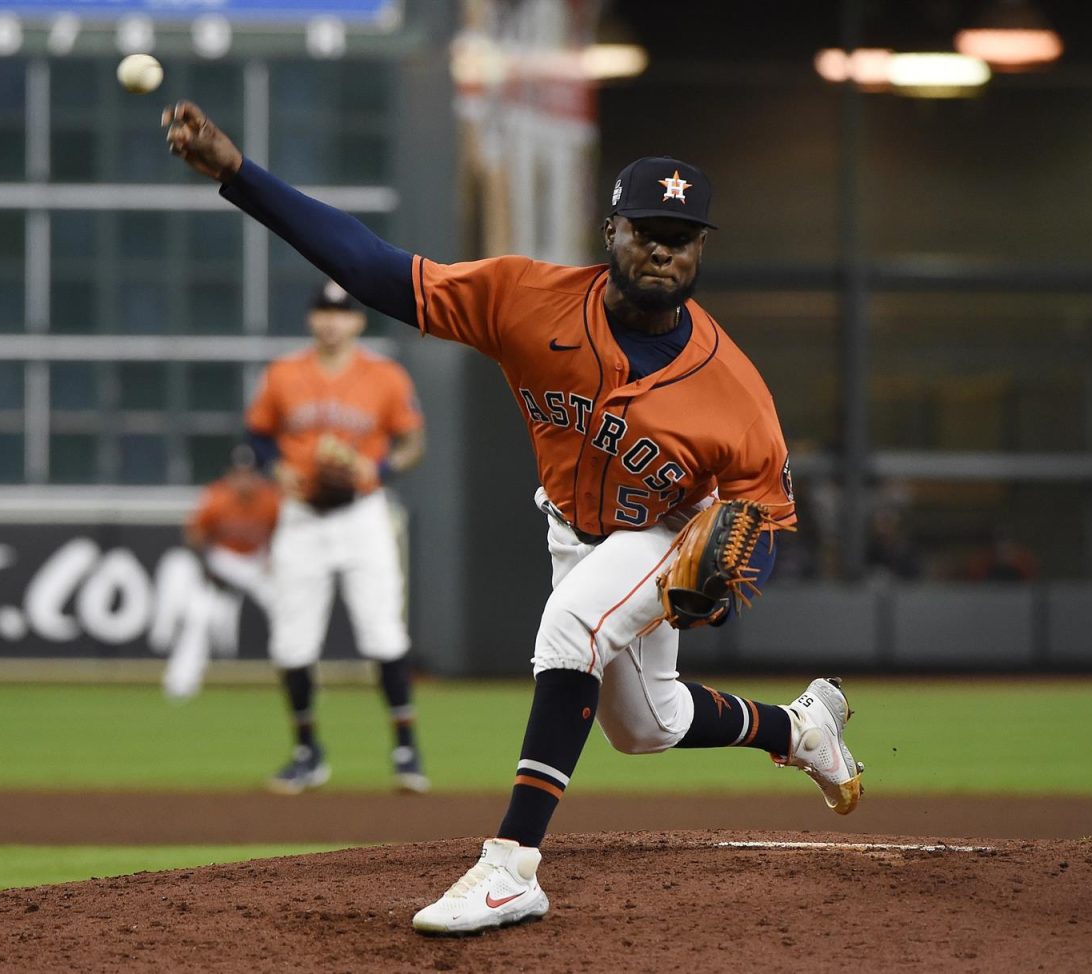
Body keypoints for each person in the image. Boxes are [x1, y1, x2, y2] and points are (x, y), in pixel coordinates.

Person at [164, 101, 864, 933]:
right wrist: (241, 178)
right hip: (572, 530)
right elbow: (375, 269)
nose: (663, 246)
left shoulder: (736, 392)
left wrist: (726, 582)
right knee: (647, 725)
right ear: (611, 231)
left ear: (702, 249)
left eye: (682, 233)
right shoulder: (527, 300)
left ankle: (511, 868)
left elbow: (768, 521)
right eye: (646, 227)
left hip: (667, 533)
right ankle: (800, 729)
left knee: (569, 629)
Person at [245, 279, 429, 795]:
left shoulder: (384, 376)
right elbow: (257, 435)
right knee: (292, 641)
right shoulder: (284, 373)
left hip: (361, 514)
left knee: (383, 632)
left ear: (357, 321)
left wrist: (376, 468)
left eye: (342, 313)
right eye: (323, 312)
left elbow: (413, 439)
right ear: (312, 319)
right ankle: (307, 752)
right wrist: (274, 468)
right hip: (301, 514)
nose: (332, 321)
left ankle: (406, 747)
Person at [162, 444, 281, 701]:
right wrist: (208, 569)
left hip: (256, 561)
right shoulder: (215, 496)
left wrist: (274, 558)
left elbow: (284, 533)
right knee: (199, 615)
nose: (244, 479)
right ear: (229, 474)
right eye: (238, 473)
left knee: (287, 613)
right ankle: (180, 682)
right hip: (223, 560)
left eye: (249, 473)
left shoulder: (271, 498)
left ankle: (299, 678)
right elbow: (194, 536)